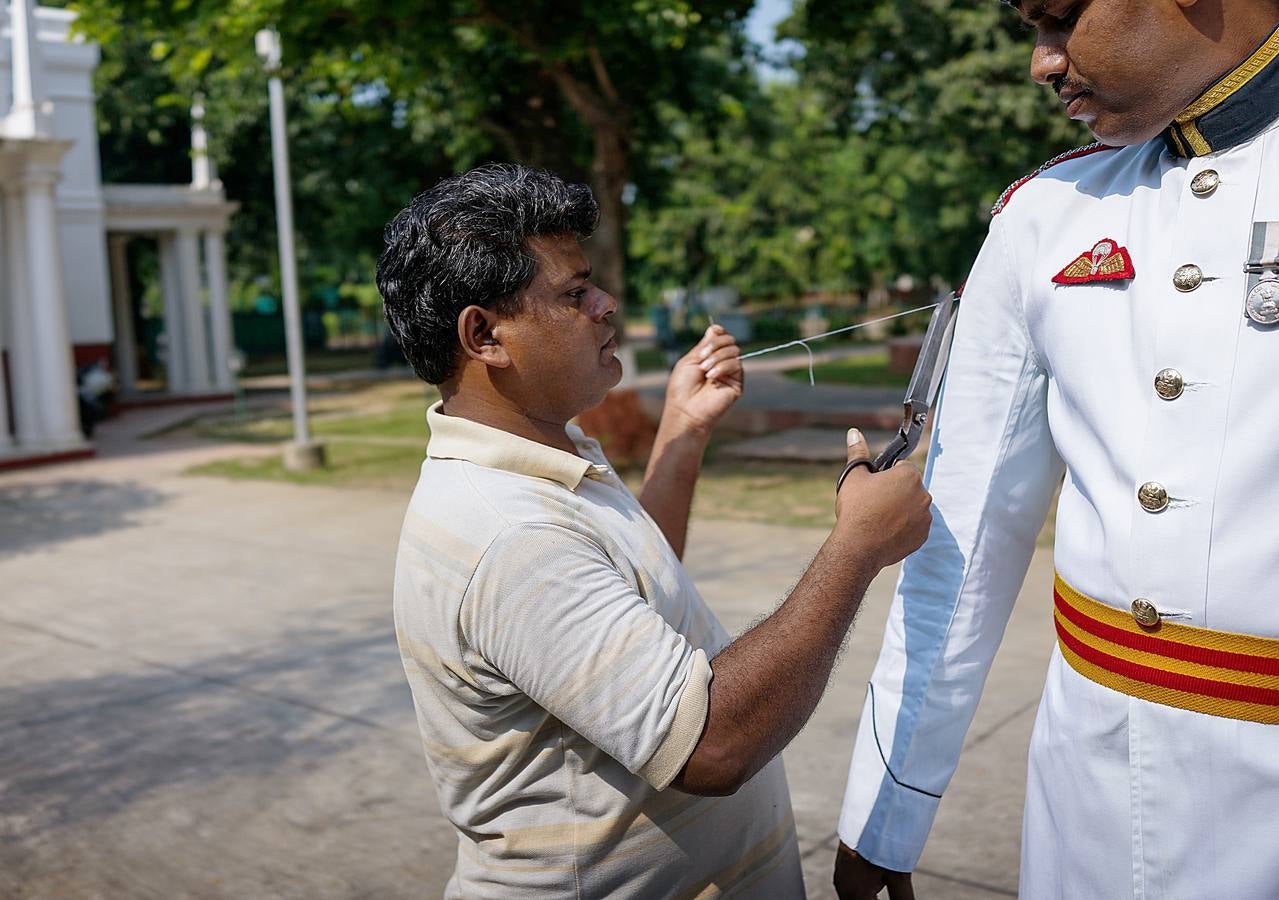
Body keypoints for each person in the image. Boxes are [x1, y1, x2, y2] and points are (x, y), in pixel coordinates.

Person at [376, 163, 933, 898]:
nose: (607, 304)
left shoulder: (544, 455)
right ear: (484, 335)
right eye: (574, 293)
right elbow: (709, 746)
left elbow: (617, 599)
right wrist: (856, 549)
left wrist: (680, 434)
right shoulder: (509, 534)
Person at [833, 1, 1279, 897]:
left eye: (1058, 16)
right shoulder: (1046, 215)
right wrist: (884, 812)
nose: (1041, 62)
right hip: (1087, 795)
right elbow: (964, 540)